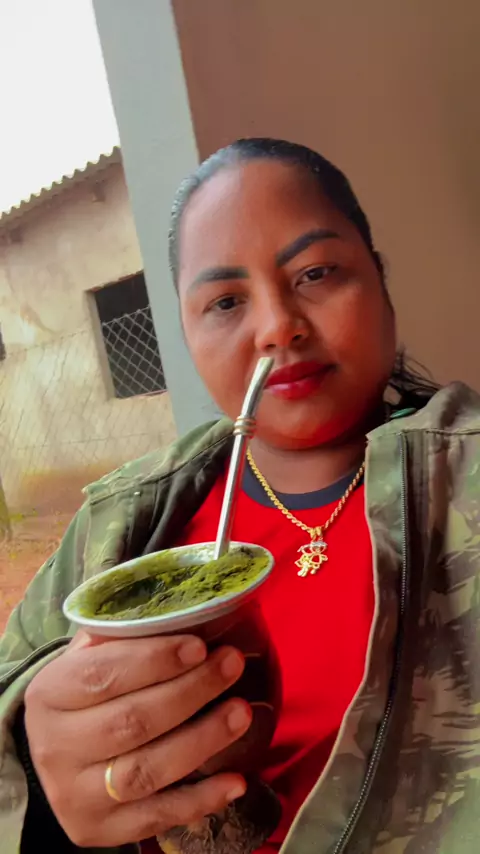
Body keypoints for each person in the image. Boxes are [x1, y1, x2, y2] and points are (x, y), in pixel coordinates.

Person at [1, 137, 479, 854]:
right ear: (188, 333)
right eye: (226, 302)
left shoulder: (467, 480)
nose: (277, 326)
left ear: (378, 280)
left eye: (316, 273)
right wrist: (43, 785)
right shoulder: (120, 523)